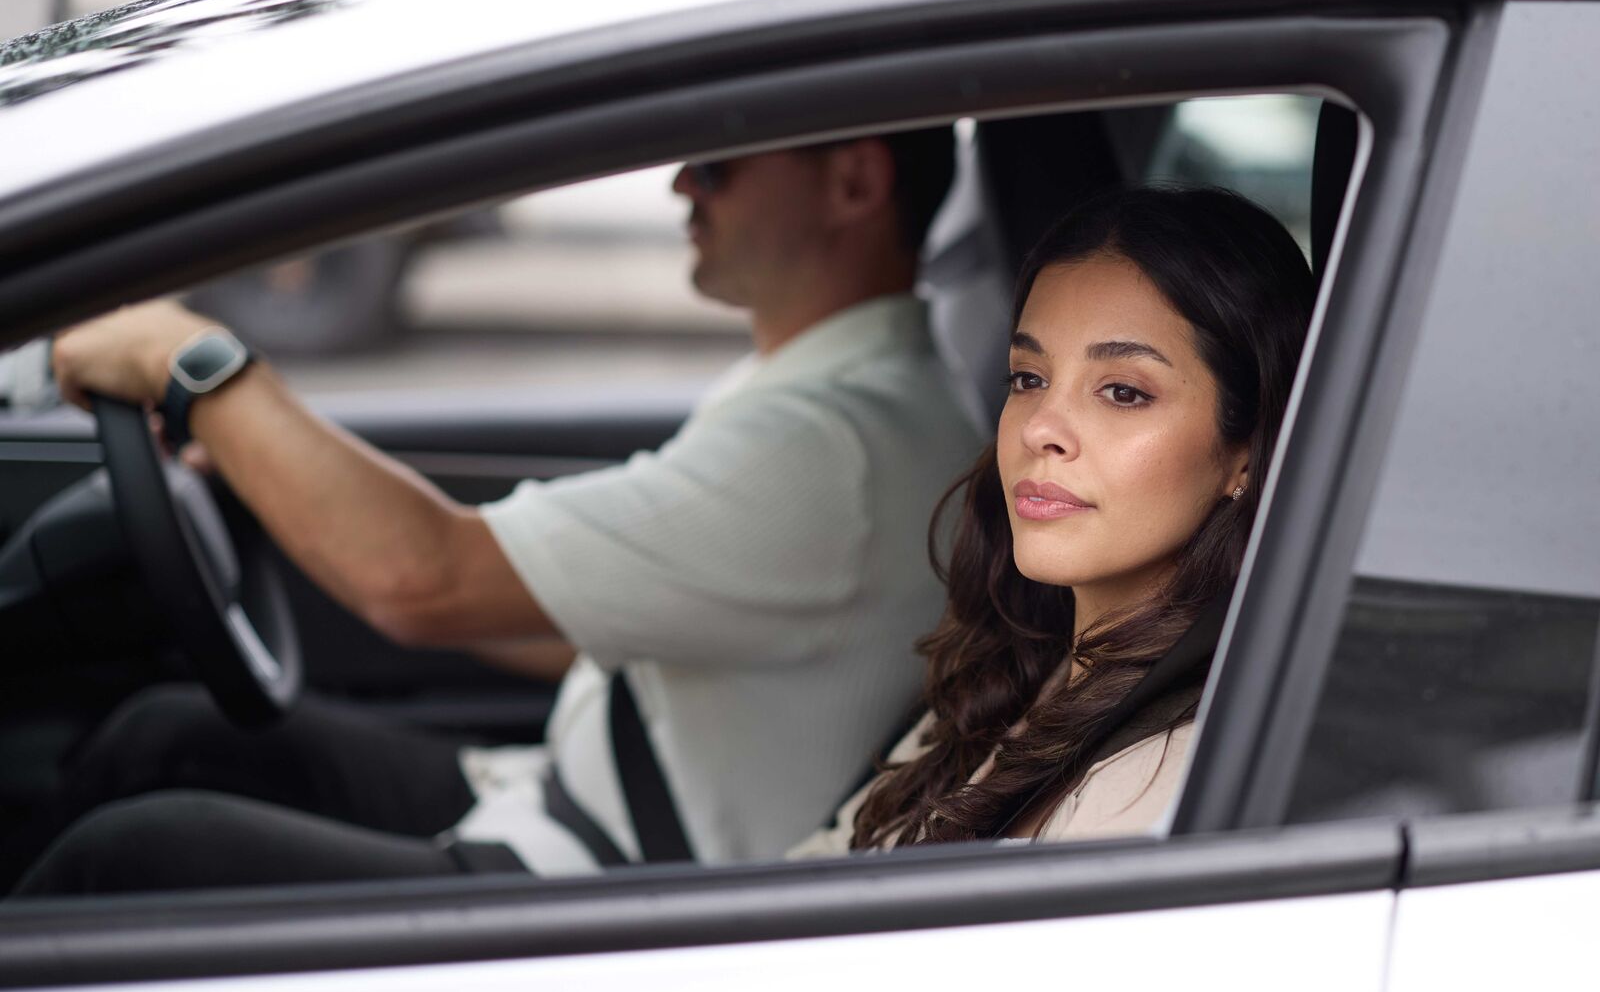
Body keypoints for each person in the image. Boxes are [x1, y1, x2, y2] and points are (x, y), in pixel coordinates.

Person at [13, 129, 983, 894]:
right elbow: (565, 608)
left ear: (854, 182)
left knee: (129, 858)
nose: (684, 183)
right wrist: (270, 479)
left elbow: (423, 576)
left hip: (596, 883)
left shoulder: (833, 444)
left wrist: (191, 361)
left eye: (719, 160)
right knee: (167, 734)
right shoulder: (851, 389)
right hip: (550, 795)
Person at [790, 184, 1314, 857]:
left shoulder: (1166, 774)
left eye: (1123, 392)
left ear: (1245, 453)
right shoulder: (1014, 677)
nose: (1041, 429)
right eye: (1028, 379)